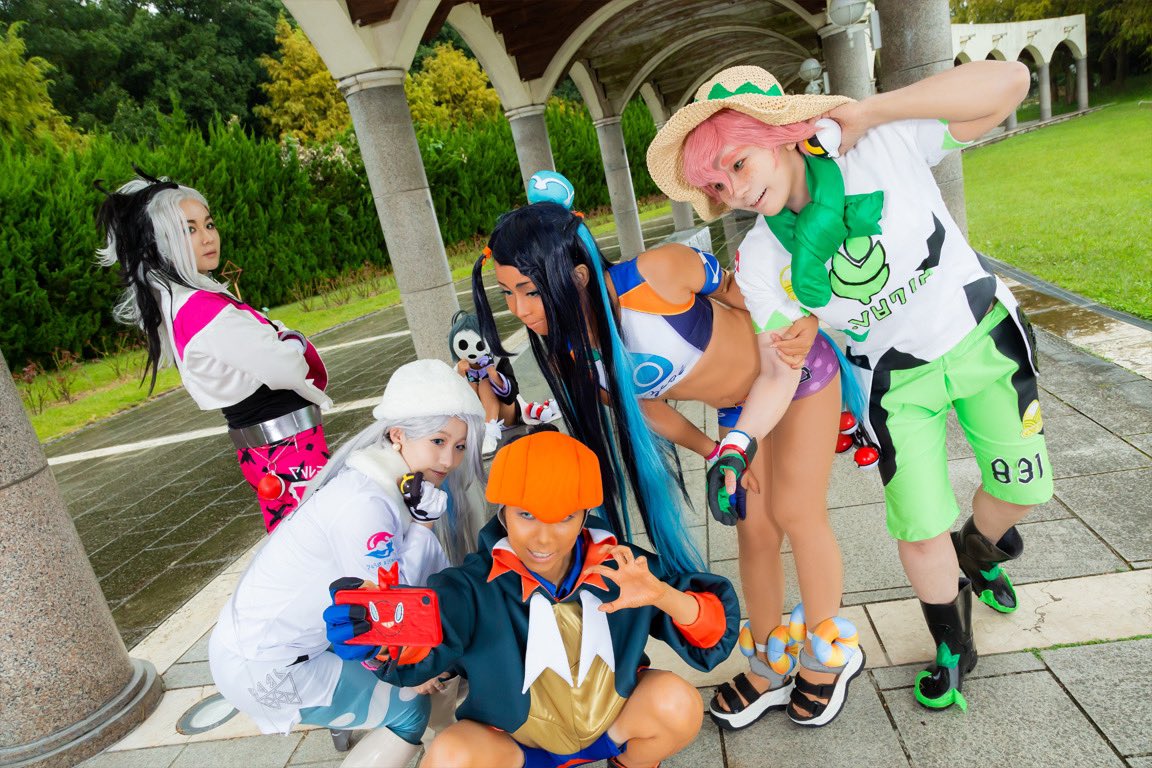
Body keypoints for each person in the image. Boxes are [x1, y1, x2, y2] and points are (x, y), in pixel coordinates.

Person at [647, 60, 1052, 711]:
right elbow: (778, 369)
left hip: (982, 335)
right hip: (893, 382)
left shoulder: (879, 145)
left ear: (778, 136)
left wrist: (874, 111)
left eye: (738, 164)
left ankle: (977, 550)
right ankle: (954, 647)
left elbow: (1011, 85)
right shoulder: (762, 259)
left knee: (1021, 490)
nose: (733, 190)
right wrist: (736, 445)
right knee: (919, 524)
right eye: (717, 184)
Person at [472, 171, 864, 727]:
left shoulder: (658, 274)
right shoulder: (571, 352)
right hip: (736, 418)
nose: (518, 308)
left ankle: (826, 657)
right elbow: (646, 409)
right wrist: (712, 449)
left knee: (797, 512)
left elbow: (747, 294)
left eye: (530, 291)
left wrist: (802, 320)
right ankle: (767, 662)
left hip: (796, 374)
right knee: (753, 529)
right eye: (507, 293)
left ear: (577, 276)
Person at [326, 430, 741, 768]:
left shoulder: (621, 566)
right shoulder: (470, 586)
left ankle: (631, 763)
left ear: (584, 515)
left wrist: (663, 595)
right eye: (526, 514)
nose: (544, 539)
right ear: (503, 511)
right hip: (515, 748)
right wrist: (374, 633)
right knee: (450, 756)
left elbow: (713, 634)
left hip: (614, 724)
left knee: (678, 704)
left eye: (564, 517)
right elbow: (416, 647)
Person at [208, 359, 486, 767]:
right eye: (438, 441)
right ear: (397, 435)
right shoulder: (366, 505)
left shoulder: (379, 482)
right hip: (267, 665)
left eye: (459, 446)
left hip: (279, 645)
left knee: (434, 681)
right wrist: (424, 527)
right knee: (409, 710)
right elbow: (388, 607)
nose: (449, 460)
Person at [96, 171, 331, 532]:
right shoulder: (202, 310)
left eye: (208, 224)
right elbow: (285, 368)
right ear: (161, 242)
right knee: (317, 535)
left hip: (271, 448)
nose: (208, 237)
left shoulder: (184, 302)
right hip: (286, 447)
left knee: (306, 534)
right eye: (189, 230)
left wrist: (280, 340)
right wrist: (292, 340)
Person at [447, 309, 557, 455]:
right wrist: (460, 376)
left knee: (485, 384)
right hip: (478, 417)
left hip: (507, 414)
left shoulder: (498, 360)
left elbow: (511, 395)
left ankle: (489, 434)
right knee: (471, 384)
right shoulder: (458, 369)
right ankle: (480, 430)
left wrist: (493, 374)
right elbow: (454, 403)